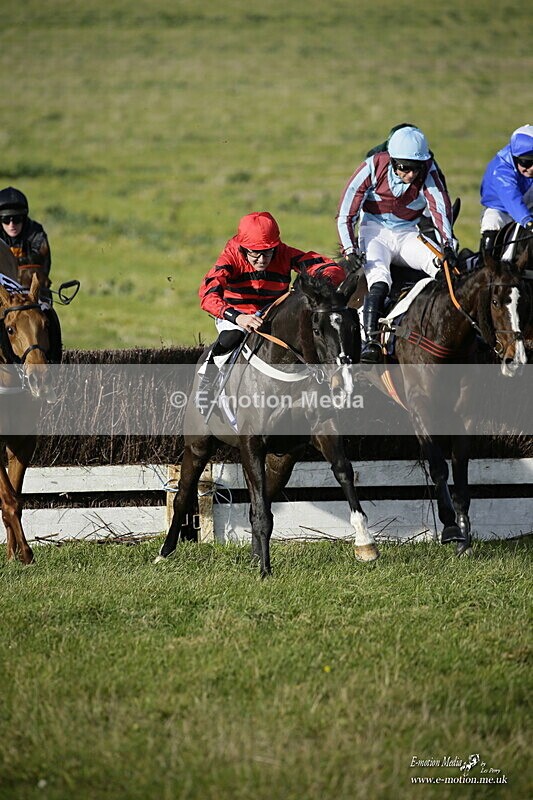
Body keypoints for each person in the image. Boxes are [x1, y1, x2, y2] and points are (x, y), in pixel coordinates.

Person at [336, 126, 456, 363]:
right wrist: (349, 250)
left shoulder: (429, 171)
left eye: (416, 168)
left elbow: (440, 208)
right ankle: (370, 341)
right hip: (374, 233)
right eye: (404, 167)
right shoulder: (373, 165)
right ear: (391, 160)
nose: (411, 174)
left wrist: (449, 245)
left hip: (408, 233)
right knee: (379, 280)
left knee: (445, 270)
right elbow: (345, 213)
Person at [197, 211, 346, 397]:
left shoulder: (283, 253)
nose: (262, 259)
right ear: (243, 248)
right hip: (238, 314)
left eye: (267, 252)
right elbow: (207, 295)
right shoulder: (230, 258)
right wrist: (238, 317)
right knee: (231, 337)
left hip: (273, 312)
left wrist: (320, 282)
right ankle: (207, 381)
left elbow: (331, 268)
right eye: (255, 254)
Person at [479, 125, 533, 254]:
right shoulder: (501, 169)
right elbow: (511, 198)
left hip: (530, 207)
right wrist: (529, 223)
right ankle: (485, 264)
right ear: (515, 157)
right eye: (526, 162)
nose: (532, 169)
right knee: (491, 223)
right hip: (502, 210)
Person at [0, 186, 52, 298]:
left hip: (32, 292)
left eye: (17, 219)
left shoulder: (35, 232)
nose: (11, 225)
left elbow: (40, 263)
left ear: (24, 218)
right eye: (6, 219)